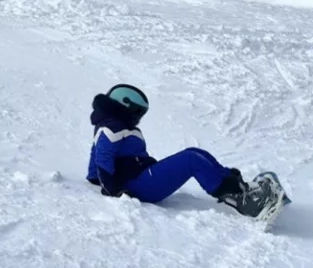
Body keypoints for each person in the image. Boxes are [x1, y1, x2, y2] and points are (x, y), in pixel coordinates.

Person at [87, 84, 281, 216]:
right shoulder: (111, 127)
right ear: (125, 106)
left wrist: (94, 178)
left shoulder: (113, 126)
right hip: (137, 186)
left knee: (195, 153)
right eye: (138, 113)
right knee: (191, 159)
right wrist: (113, 190)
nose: (139, 118)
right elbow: (103, 158)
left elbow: (95, 157)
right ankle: (244, 202)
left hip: (140, 178)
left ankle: (237, 187)